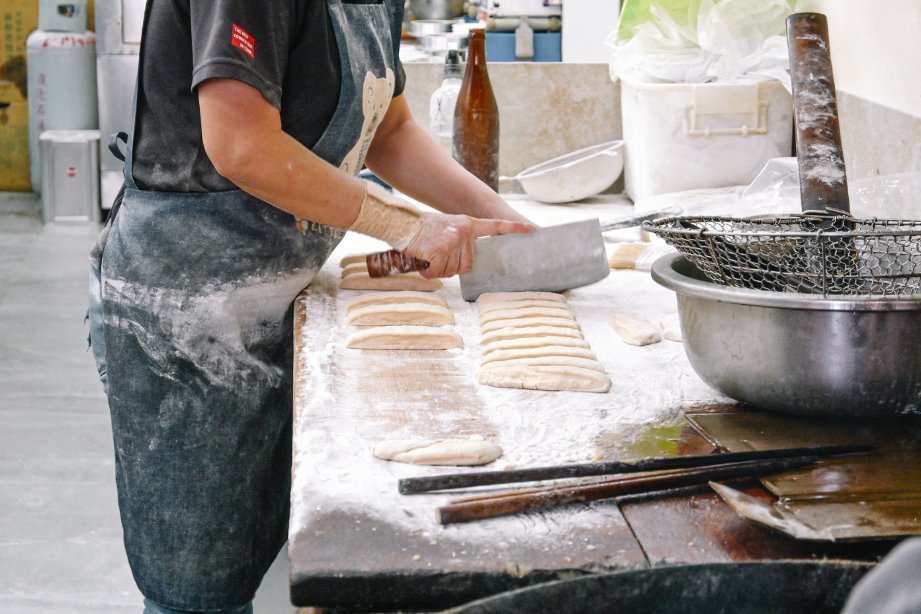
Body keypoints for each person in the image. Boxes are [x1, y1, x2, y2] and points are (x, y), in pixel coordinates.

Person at [86, 1, 534, 612]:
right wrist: (405, 226)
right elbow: (241, 145)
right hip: (189, 313)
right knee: (195, 588)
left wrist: (505, 224)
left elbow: (390, 130)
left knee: (255, 545)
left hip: (276, 293)